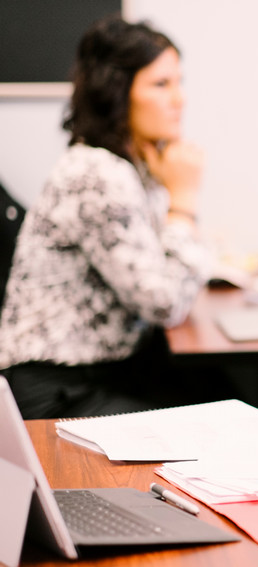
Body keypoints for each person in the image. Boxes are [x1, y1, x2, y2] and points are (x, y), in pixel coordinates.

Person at [0, 15, 214, 419]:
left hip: (99, 375)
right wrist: (184, 201)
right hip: (57, 390)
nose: (179, 99)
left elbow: (168, 280)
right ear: (117, 91)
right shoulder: (95, 173)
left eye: (179, 82)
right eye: (161, 84)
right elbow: (165, 302)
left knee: (221, 400)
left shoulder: (131, 167)